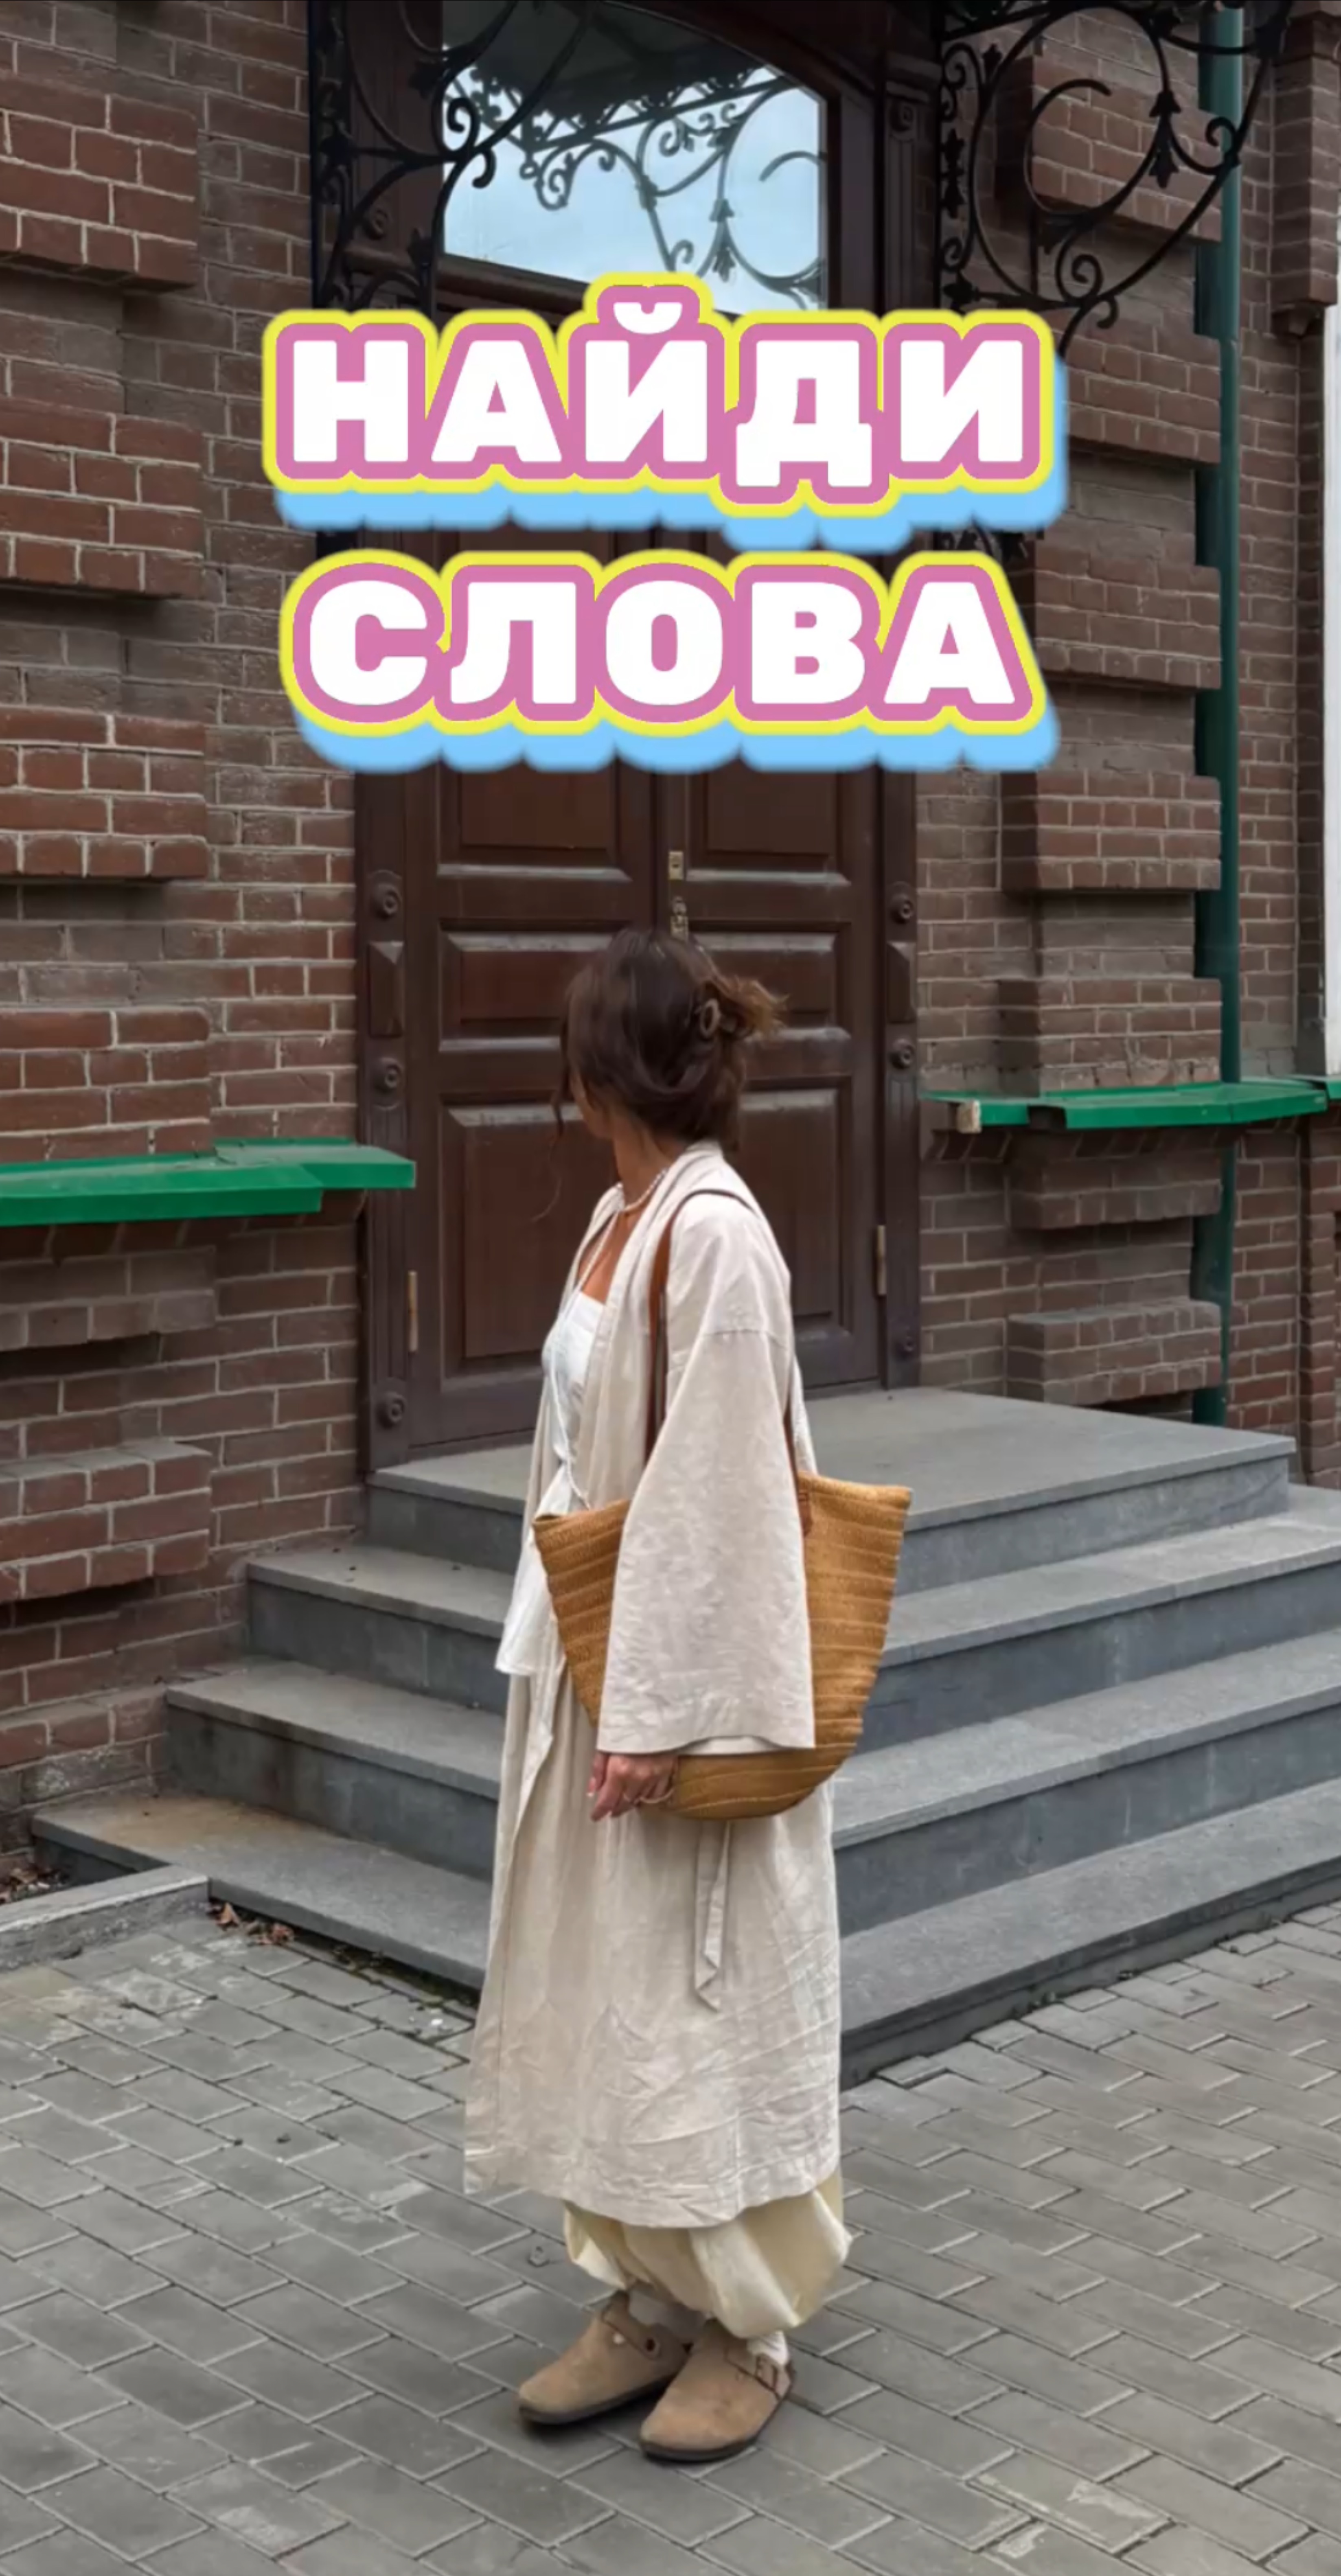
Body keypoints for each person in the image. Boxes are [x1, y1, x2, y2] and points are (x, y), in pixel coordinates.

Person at [464, 924, 848, 2463]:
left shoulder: (717, 1238)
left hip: (683, 1690)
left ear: (595, 1073)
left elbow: (730, 1501)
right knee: (610, 1990)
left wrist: (660, 1714)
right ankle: (642, 2290)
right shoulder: (620, 1217)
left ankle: (749, 2323)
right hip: (592, 1654)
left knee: (705, 1993)